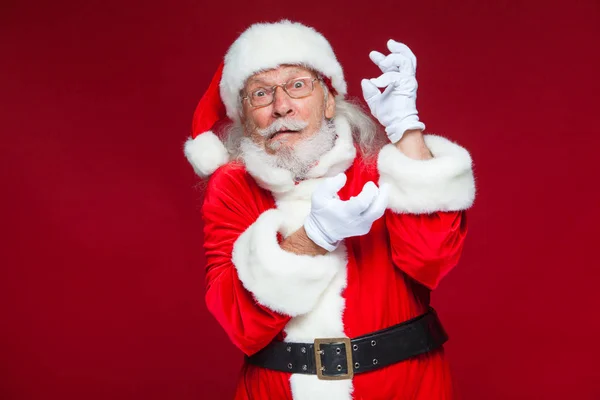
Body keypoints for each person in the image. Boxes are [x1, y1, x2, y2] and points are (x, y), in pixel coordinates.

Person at [184, 20, 475, 400]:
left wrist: (407, 131)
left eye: (298, 85)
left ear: (329, 99)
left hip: (407, 387)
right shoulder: (232, 187)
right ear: (244, 116)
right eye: (260, 93)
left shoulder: (378, 166)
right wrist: (312, 239)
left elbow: (432, 259)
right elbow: (241, 323)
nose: (281, 106)